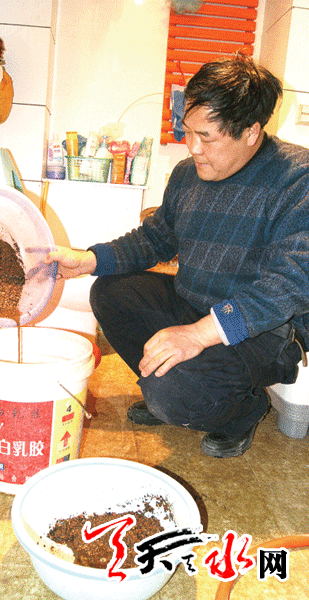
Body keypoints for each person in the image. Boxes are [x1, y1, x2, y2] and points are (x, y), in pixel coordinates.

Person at [44, 54, 309, 458]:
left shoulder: (297, 178)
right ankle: (170, 386)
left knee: (171, 393)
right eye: (188, 131)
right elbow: (156, 238)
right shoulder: (188, 174)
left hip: (264, 330)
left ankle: (241, 411)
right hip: (194, 304)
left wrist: (199, 334)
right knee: (110, 291)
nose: (192, 147)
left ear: (251, 132)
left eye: (206, 137)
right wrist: (89, 260)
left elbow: (292, 283)